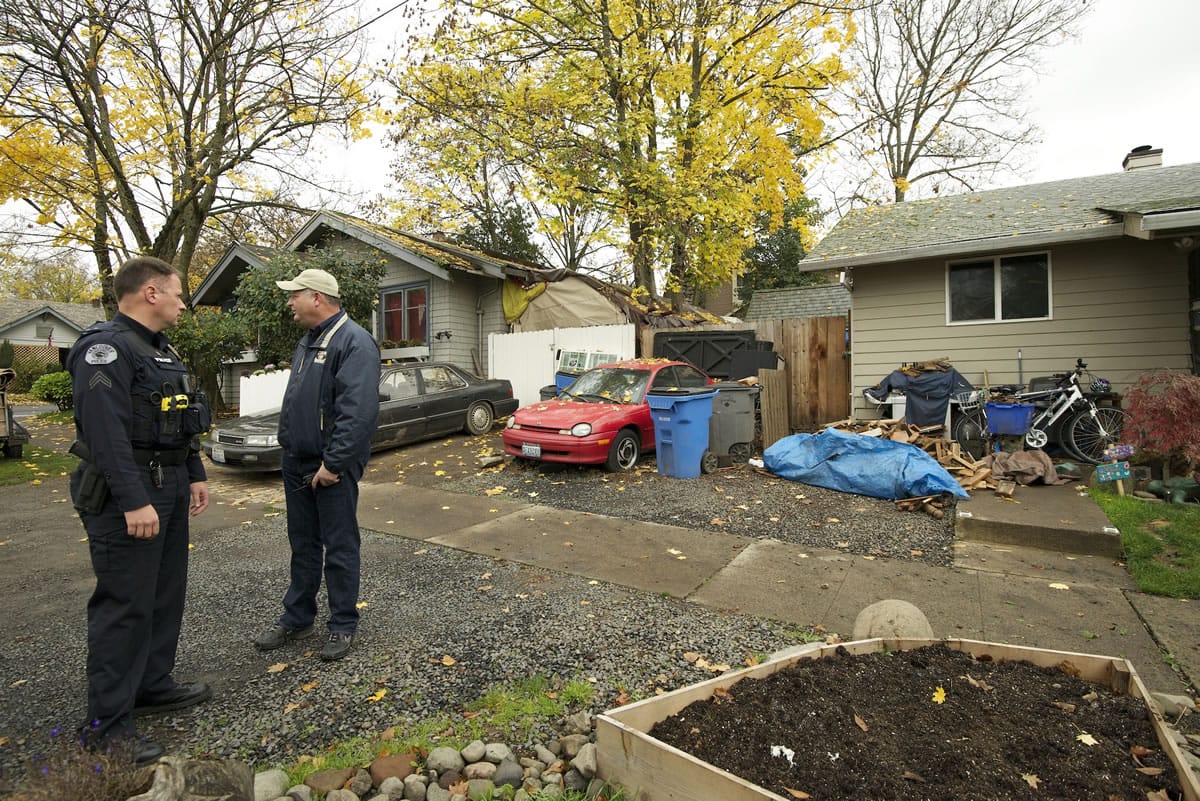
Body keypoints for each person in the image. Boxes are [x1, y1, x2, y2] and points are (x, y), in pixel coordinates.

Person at [66, 256, 212, 765]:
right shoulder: (105, 351)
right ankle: (106, 728)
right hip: (125, 491)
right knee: (126, 604)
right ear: (151, 293)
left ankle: (151, 685)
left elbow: (178, 417)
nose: (181, 303)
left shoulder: (161, 351)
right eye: (177, 293)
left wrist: (193, 473)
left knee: (164, 594)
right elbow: (105, 438)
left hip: (167, 481)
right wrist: (134, 502)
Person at [254, 268, 379, 661]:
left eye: (295, 295)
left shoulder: (355, 342)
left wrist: (335, 463)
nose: (289, 302)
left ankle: (342, 624)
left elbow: (357, 413)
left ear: (318, 298)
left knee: (340, 546)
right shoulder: (307, 342)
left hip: (329, 467)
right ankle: (297, 616)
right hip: (296, 461)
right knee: (303, 544)